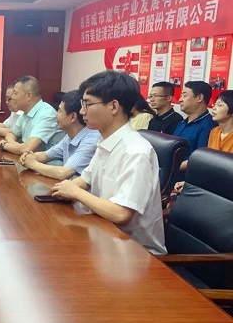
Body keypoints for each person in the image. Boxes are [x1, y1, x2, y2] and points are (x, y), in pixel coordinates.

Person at [51, 70, 166, 255]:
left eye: (88, 104)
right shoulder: (105, 140)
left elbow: (121, 214)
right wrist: (62, 189)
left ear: (113, 106)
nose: (82, 111)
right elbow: (85, 179)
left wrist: (75, 192)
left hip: (136, 252)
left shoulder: (136, 152)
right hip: (103, 235)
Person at [19, 90, 100, 180]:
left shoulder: (91, 139)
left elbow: (64, 173)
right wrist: (31, 156)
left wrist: (33, 164)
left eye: (59, 111)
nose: (55, 115)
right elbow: (47, 155)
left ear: (72, 117)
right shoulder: (69, 137)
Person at [0, 76, 64, 155]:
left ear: (28, 96)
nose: (13, 97)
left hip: (48, 161)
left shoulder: (46, 114)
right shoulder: (25, 113)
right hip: (28, 158)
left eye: (15, 93)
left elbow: (27, 148)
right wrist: (14, 145)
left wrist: (4, 145)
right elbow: (11, 134)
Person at [172, 80, 217, 172]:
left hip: (185, 175)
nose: (180, 99)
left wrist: (172, 168)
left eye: (185, 95)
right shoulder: (182, 123)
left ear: (199, 98)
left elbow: (200, 158)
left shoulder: (209, 125)